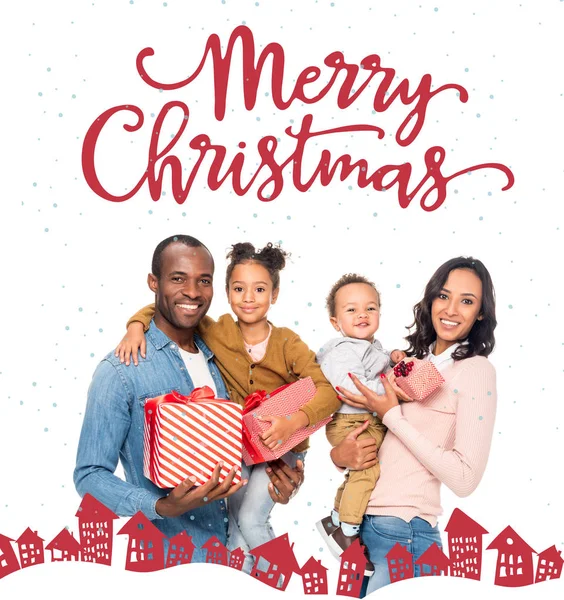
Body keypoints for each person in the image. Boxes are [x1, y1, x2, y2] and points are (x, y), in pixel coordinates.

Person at [74, 235, 304, 565]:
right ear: (154, 282)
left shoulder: (226, 358)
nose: (193, 292)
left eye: (204, 281)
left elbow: (239, 453)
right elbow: (90, 476)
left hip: (238, 560)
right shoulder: (120, 372)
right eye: (178, 278)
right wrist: (161, 506)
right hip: (175, 565)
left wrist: (280, 482)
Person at [116, 241, 340, 572]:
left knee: (250, 519)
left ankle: (283, 583)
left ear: (274, 295)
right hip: (240, 446)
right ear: (227, 292)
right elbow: (162, 310)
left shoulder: (288, 343)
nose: (249, 297)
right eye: (239, 288)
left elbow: (328, 393)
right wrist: (135, 326)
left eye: (259, 289)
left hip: (281, 445)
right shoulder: (215, 329)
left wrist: (294, 422)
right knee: (233, 528)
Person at [332, 257, 498, 594]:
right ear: (431, 298)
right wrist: (340, 455)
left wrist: (392, 415)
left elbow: (465, 479)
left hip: (404, 531)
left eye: (467, 301)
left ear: (481, 312)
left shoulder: (476, 371)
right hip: (362, 530)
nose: (451, 309)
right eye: (443, 296)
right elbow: (380, 443)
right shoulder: (413, 366)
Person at [315, 274, 405, 574]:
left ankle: (336, 518)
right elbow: (353, 388)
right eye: (351, 310)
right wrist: (392, 387)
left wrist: (393, 359)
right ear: (334, 321)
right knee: (367, 472)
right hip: (350, 420)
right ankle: (348, 533)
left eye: (370, 308)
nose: (362, 314)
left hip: (365, 419)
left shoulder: (372, 346)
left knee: (357, 476)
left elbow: (377, 369)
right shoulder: (341, 350)